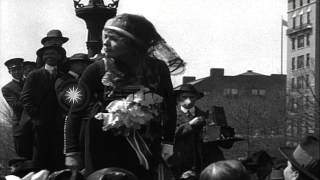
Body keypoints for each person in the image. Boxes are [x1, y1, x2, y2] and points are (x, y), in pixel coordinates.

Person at [64, 13, 177, 180]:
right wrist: (72, 152)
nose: (106, 43)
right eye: (106, 37)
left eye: (114, 38)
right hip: (103, 143)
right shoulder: (95, 69)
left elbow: (168, 106)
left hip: (146, 140)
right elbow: (75, 112)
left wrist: (168, 141)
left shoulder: (157, 69)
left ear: (134, 43)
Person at [21, 44, 67, 171]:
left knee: (58, 157)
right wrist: (36, 117)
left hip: (60, 125)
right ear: (42, 57)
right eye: (46, 54)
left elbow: (72, 98)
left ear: (59, 56)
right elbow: (25, 98)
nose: (50, 56)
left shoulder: (65, 77)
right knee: (40, 158)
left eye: (53, 53)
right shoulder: (34, 75)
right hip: (40, 125)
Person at [167, 83, 206, 179]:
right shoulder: (171, 115)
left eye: (192, 97)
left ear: (196, 98)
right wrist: (189, 125)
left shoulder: (205, 115)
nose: (188, 101)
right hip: (178, 163)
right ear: (178, 98)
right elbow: (169, 135)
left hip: (201, 164)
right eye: (184, 97)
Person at [1, 58, 31, 158]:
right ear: (9, 72)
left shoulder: (31, 81)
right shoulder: (7, 88)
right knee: (25, 156)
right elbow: (16, 106)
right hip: (21, 126)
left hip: (37, 124)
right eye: (13, 70)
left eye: (19, 69)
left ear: (23, 69)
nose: (17, 72)